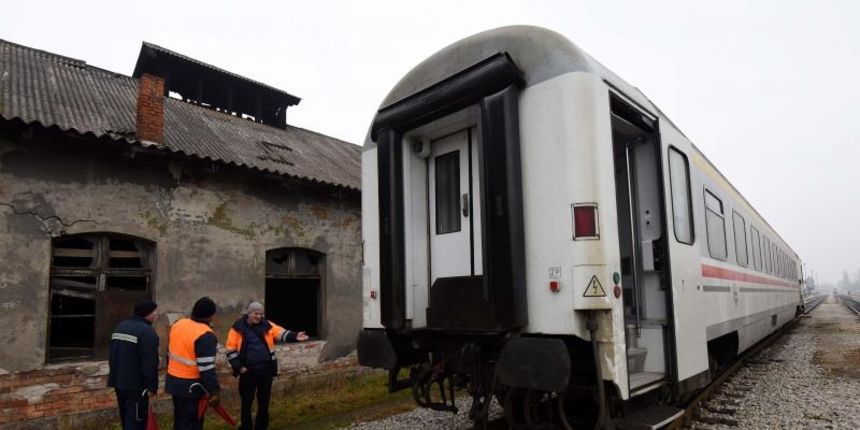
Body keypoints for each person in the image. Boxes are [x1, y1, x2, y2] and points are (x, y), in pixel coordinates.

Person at [225, 301, 309, 430]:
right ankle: (246, 427)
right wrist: (239, 368)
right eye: (255, 313)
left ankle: (261, 426)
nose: (258, 316)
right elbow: (230, 350)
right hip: (247, 372)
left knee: (264, 402)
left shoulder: (267, 325)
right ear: (249, 313)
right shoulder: (237, 328)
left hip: (265, 370)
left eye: (260, 314)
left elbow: (280, 333)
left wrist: (295, 335)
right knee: (246, 402)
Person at [166, 297, 221, 430]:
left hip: (174, 383)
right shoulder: (205, 335)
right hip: (192, 387)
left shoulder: (178, 324)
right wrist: (214, 391)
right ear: (211, 315)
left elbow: (170, 351)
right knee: (192, 424)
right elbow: (206, 369)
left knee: (179, 421)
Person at [108, 298, 160, 430]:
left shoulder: (120, 326)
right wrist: (152, 387)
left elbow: (112, 355)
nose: (156, 314)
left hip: (119, 382)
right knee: (137, 421)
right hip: (136, 387)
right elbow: (150, 363)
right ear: (148, 313)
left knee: (126, 417)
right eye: (154, 311)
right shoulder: (147, 333)